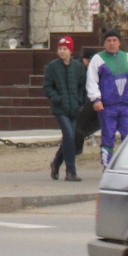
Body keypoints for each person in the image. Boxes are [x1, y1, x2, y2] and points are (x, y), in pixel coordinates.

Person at [86, 30, 128, 168]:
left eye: (114, 40)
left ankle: (126, 167)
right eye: (108, 41)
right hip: (107, 107)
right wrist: (96, 99)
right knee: (108, 138)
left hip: (125, 107)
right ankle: (107, 168)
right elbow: (92, 81)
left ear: (119, 42)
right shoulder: (98, 59)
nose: (112, 43)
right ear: (104, 43)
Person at [43, 35, 86, 181]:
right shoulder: (52, 67)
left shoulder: (78, 67)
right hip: (60, 109)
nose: (62, 51)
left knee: (70, 138)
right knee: (69, 135)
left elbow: (82, 85)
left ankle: (55, 164)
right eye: (60, 48)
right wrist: (57, 99)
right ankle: (70, 171)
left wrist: (80, 101)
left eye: (65, 49)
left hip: (74, 108)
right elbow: (47, 87)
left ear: (70, 51)